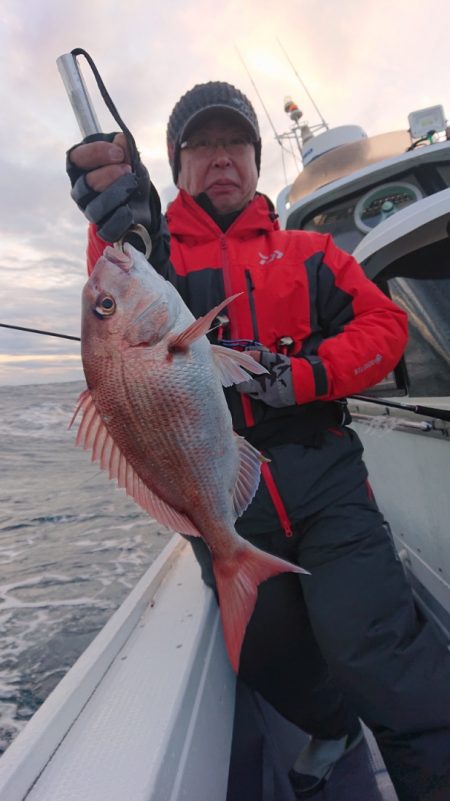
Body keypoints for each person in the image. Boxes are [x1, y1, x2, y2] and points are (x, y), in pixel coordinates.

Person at [66, 81, 450, 801]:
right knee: (264, 656)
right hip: (219, 494)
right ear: (176, 164)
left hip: (326, 481)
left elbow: (386, 327)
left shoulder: (311, 252)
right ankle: (333, 725)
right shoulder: (154, 257)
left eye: (235, 142)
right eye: (202, 144)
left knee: (376, 650)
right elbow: (120, 268)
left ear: (254, 158)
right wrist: (112, 210)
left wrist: (303, 375)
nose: (221, 157)